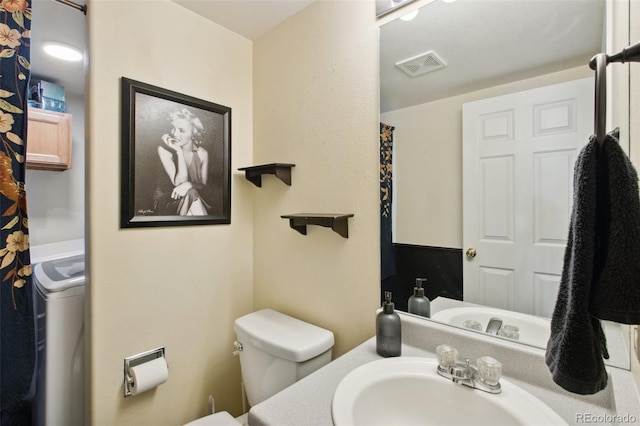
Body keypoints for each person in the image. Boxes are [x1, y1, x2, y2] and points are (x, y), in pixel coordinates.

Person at [153, 108, 210, 216]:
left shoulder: (202, 153)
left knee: (191, 193)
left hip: (192, 196)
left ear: (193, 133)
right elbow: (178, 184)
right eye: (173, 128)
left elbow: (204, 186)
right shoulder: (163, 150)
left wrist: (189, 184)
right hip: (166, 199)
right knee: (192, 194)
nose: (174, 134)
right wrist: (178, 151)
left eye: (182, 130)